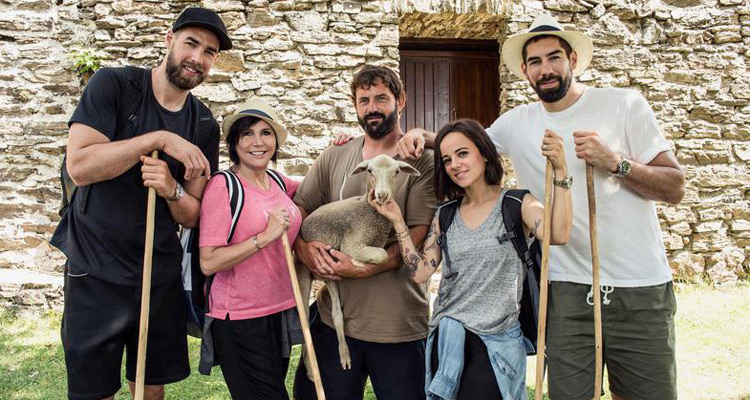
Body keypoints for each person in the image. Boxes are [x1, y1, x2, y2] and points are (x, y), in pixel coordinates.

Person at [398, 13, 685, 400]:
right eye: (535, 62)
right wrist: (418, 135)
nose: (545, 69)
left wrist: (614, 162)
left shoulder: (623, 105)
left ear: (573, 61)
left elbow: (675, 187)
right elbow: (465, 147)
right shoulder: (516, 123)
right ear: (524, 70)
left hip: (639, 286)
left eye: (554, 57)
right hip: (564, 289)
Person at [50, 7, 232, 400]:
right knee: (92, 390)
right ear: (169, 39)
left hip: (157, 272)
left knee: (149, 388)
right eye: (191, 43)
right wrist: (157, 141)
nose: (198, 58)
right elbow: (80, 166)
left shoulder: (202, 124)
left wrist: (171, 190)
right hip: (95, 267)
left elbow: (195, 212)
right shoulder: (114, 85)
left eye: (210, 52)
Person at [371, 118, 572, 400]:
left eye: (462, 153)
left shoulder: (517, 204)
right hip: (449, 338)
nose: (454, 164)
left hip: (495, 342)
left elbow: (559, 233)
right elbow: (420, 272)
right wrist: (397, 220)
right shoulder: (447, 214)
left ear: (484, 153)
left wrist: (561, 170)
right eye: (447, 159)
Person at [292, 64, 437, 400]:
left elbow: (419, 231)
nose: (372, 106)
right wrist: (303, 249)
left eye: (381, 98)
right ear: (355, 104)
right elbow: (299, 209)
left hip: (398, 326)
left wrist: (363, 268)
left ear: (400, 101)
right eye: (364, 99)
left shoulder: (420, 160)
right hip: (334, 322)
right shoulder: (335, 155)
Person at [198, 98, 301, 400]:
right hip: (239, 317)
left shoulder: (278, 182)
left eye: (266, 133)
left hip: (278, 310)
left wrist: (340, 147)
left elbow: (319, 183)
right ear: (234, 143)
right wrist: (264, 237)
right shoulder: (223, 187)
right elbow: (208, 261)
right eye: (248, 134)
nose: (258, 142)